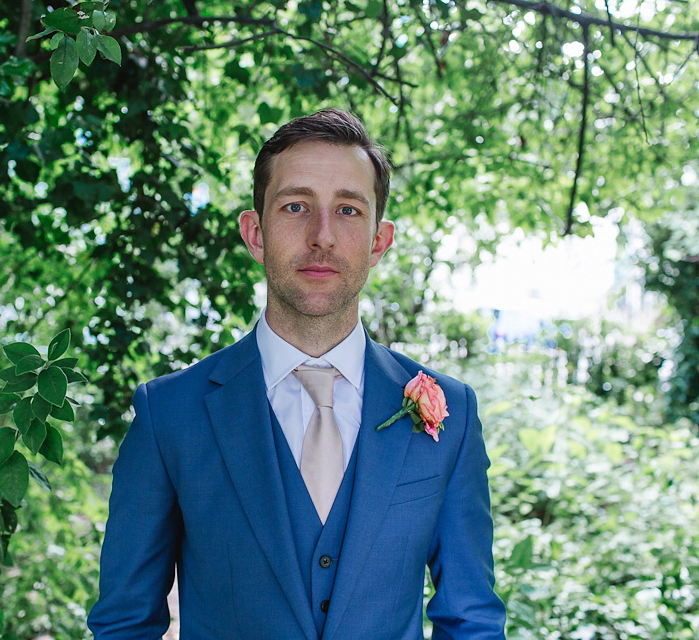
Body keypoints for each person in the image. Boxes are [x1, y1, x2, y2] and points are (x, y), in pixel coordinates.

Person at [87, 108, 506, 639]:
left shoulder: (453, 413)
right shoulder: (169, 414)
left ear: (379, 240)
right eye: (295, 206)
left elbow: (471, 621)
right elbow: (125, 623)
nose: (322, 235)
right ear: (255, 232)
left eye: (349, 210)